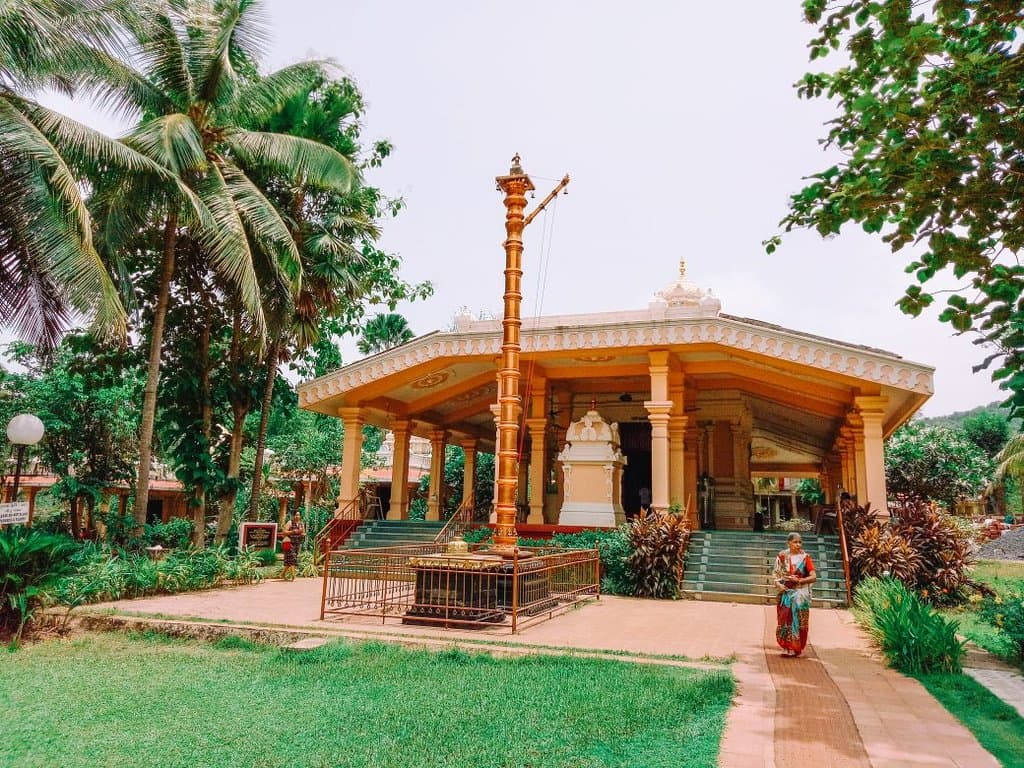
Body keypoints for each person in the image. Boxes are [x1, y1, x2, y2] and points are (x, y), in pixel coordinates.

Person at [773, 532, 817, 657]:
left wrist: (799, 581)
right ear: (789, 543)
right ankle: (787, 646)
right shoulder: (782, 556)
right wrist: (779, 585)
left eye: (800, 542)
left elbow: (813, 577)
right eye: (795, 542)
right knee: (785, 619)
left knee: (799, 620)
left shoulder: (805, 558)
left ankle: (796, 647)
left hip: (800, 595)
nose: (798, 545)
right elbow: (776, 575)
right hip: (786, 594)